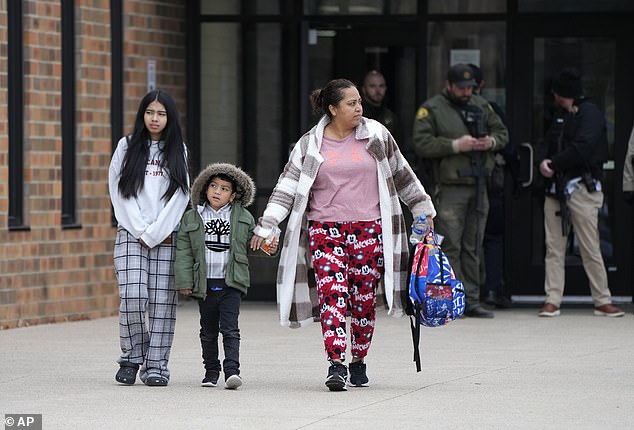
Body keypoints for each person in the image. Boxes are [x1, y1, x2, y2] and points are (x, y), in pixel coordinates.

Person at [250, 78, 436, 391]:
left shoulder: (376, 135)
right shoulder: (310, 144)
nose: (359, 108)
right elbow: (287, 185)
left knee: (362, 303)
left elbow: (402, 174)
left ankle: (358, 360)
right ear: (333, 109)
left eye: (359, 102)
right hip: (325, 230)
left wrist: (423, 209)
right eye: (351, 103)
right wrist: (268, 223)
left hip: (369, 229)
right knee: (332, 295)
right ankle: (336, 363)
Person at [412, 63, 509, 318]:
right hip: (449, 187)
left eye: (470, 88)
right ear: (449, 85)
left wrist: (491, 142)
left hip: (479, 185)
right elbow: (421, 143)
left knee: (473, 245)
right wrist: (456, 145)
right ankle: (450, 301)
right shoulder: (431, 108)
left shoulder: (480, 104)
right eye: (461, 88)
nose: (466, 92)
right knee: (450, 246)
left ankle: (472, 299)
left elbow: (502, 133)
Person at [109, 89, 190, 386]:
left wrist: (157, 231)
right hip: (131, 234)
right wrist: (141, 229)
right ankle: (132, 356)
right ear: (142, 115)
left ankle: (156, 366)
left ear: (170, 118)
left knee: (161, 304)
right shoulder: (127, 146)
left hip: (166, 236)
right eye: (150, 112)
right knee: (133, 295)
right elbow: (118, 191)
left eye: (161, 113)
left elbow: (181, 196)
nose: (155, 118)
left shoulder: (177, 149)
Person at [175, 163, 276, 389]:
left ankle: (232, 371)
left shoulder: (243, 218)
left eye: (224, 188)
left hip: (231, 283)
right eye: (213, 186)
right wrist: (184, 282)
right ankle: (211, 372)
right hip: (205, 283)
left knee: (230, 328)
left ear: (233, 195)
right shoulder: (193, 217)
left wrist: (269, 243)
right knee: (208, 331)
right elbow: (183, 252)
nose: (217, 192)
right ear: (204, 189)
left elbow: (254, 244)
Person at [536, 68, 624, 318]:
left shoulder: (591, 114)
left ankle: (602, 300)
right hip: (556, 191)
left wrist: (553, 164)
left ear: (560, 93)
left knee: (590, 247)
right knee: (554, 247)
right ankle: (552, 299)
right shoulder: (559, 116)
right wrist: (543, 162)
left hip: (583, 189)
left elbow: (583, 147)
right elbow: (547, 144)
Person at [468, 64, 512, 309]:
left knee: (483, 238)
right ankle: (485, 290)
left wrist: (490, 142)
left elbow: (504, 139)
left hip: (487, 183)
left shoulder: (488, 110)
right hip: (475, 183)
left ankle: (490, 289)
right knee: (474, 240)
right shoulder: (487, 108)